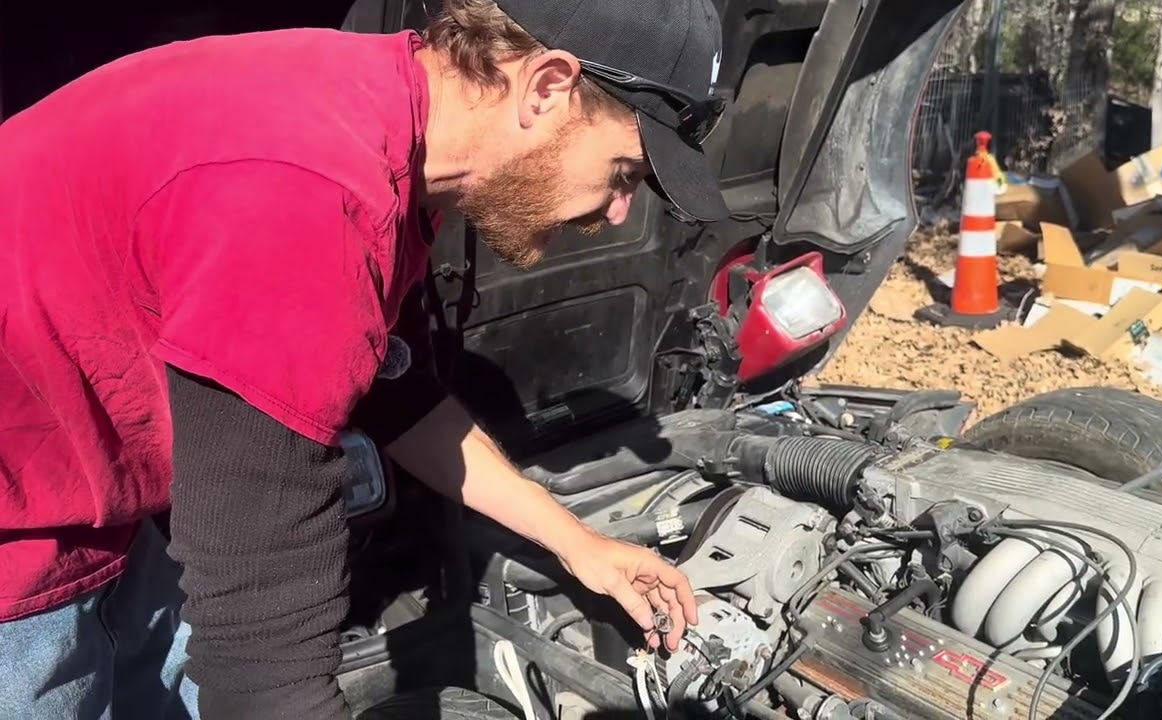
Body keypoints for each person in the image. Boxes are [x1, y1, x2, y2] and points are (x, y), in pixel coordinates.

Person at [0, 0, 729, 717]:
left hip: (95, 519)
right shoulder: (310, 193)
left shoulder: (384, 118)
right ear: (546, 88)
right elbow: (258, 631)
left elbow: (395, 391)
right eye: (626, 172)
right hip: (17, 550)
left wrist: (576, 543)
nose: (617, 213)